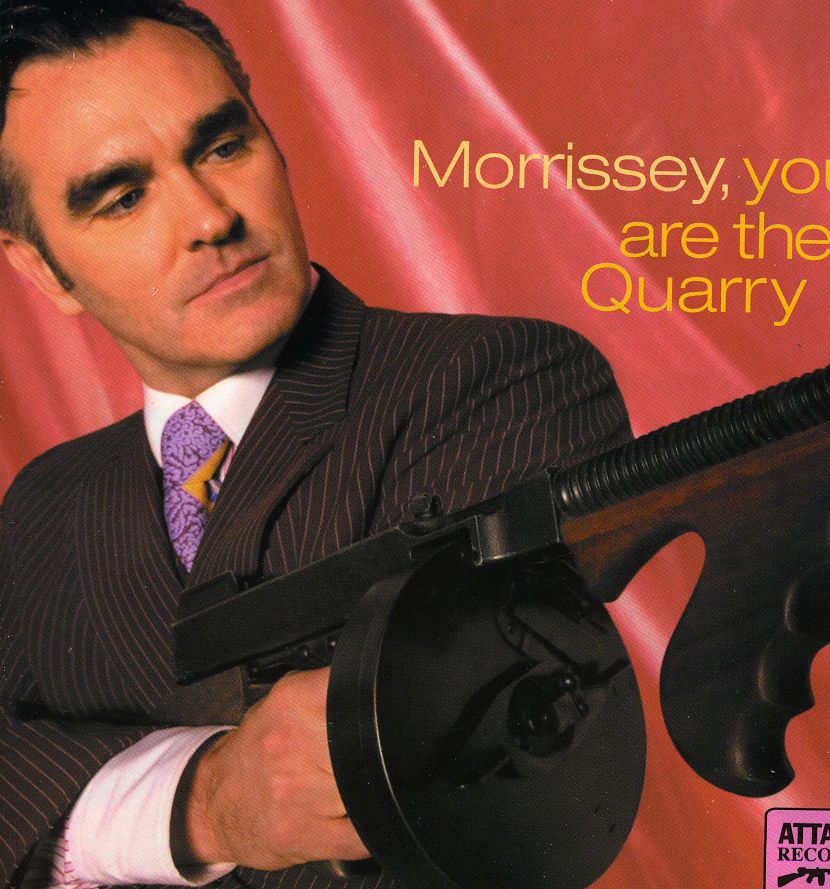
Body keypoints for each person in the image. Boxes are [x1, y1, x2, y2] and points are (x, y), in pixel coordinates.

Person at [0, 2, 630, 888]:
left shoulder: (497, 378)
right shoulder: (42, 505)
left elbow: (463, 788)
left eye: (224, 147)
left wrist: (103, 805)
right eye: (125, 196)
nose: (210, 218)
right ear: (41, 267)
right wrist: (202, 802)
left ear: (276, 144)